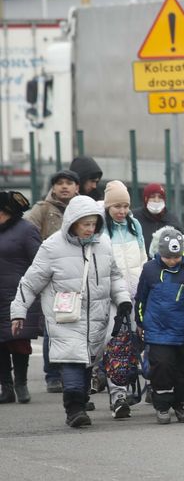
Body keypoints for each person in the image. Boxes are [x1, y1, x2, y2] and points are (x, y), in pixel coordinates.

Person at [10, 195, 132, 428]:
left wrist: (123, 299)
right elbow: (30, 281)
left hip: (97, 317)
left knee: (86, 363)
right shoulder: (52, 247)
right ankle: (74, 409)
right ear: (73, 222)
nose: (90, 228)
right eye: (85, 223)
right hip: (65, 317)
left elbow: (114, 276)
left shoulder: (103, 244)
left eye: (93, 223)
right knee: (72, 361)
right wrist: (19, 311)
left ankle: (79, 400)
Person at [135, 226, 184, 424]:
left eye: (176, 257)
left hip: (182, 331)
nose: (173, 261)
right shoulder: (149, 270)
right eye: (168, 257)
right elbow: (141, 299)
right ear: (159, 253)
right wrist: (140, 321)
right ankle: (162, 405)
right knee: (162, 367)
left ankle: (183, 404)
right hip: (157, 331)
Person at [23, 169, 80, 393]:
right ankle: (53, 375)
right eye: (59, 183)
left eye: (69, 183)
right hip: (54, 280)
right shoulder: (42, 210)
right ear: (53, 187)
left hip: (80, 276)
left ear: (77, 187)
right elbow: (27, 233)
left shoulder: (84, 207)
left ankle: (79, 373)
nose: (64, 187)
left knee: (78, 326)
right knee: (52, 327)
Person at [99, 180, 148, 418]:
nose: (122, 211)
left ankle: (135, 386)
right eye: (117, 206)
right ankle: (117, 394)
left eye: (126, 206)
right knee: (115, 344)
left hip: (136, 295)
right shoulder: (101, 229)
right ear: (108, 206)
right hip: (112, 298)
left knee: (136, 343)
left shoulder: (134, 225)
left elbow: (143, 257)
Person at [0, 192, 41, 404]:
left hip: (18, 295)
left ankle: (21, 383)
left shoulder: (27, 231)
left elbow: (40, 263)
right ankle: (5, 386)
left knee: (19, 341)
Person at [134, 183, 183, 253]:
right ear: (145, 199)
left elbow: (181, 243)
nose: (156, 200)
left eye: (160, 197)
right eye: (152, 196)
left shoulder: (172, 220)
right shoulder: (135, 217)